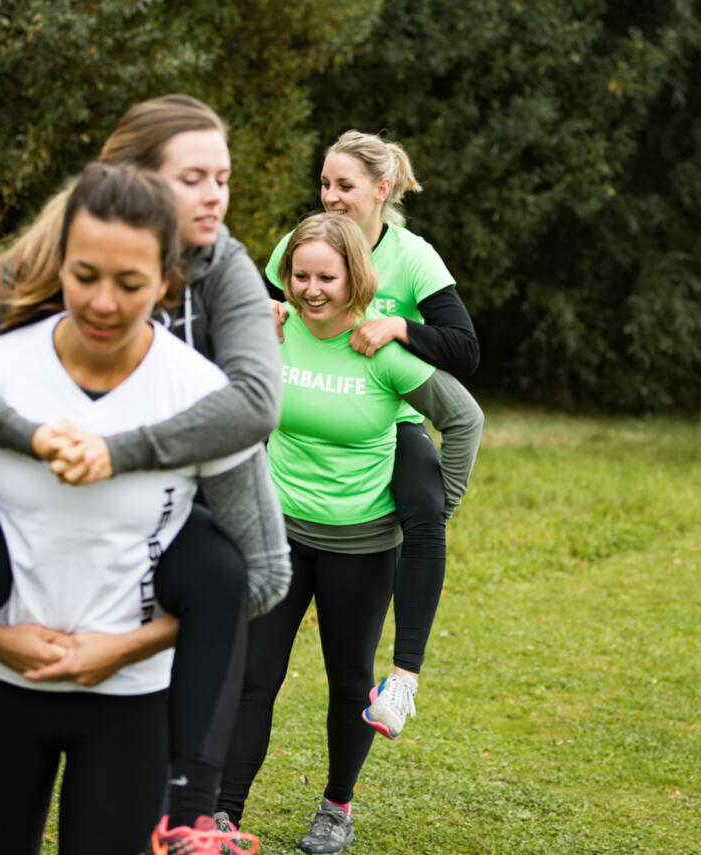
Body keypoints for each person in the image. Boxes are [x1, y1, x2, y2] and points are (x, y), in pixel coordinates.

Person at [0, 96, 284, 855]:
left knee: (220, 565)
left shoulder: (208, 350)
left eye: (222, 178)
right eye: (193, 177)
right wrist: (29, 441)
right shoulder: (11, 341)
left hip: (133, 684)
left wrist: (129, 639)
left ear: (163, 280)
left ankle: (194, 815)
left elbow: (257, 433)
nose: (215, 198)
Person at [217, 213, 483, 853]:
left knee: (347, 680)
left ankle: (336, 808)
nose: (311, 290)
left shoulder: (381, 353)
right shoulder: (271, 334)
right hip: (278, 534)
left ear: (355, 278)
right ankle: (221, 815)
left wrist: (436, 509)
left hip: (360, 546)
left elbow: (464, 419)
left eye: (326, 278)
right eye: (299, 276)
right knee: (253, 676)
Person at [263, 130, 480, 741]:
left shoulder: (412, 257)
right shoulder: (298, 244)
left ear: (381, 190)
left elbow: (465, 349)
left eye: (345, 186)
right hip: (308, 405)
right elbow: (262, 307)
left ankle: (403, 678)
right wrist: (270, 308)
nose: (331, 196)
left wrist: (397, 328)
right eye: (325, 184)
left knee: (425, 507)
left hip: (396, 412)